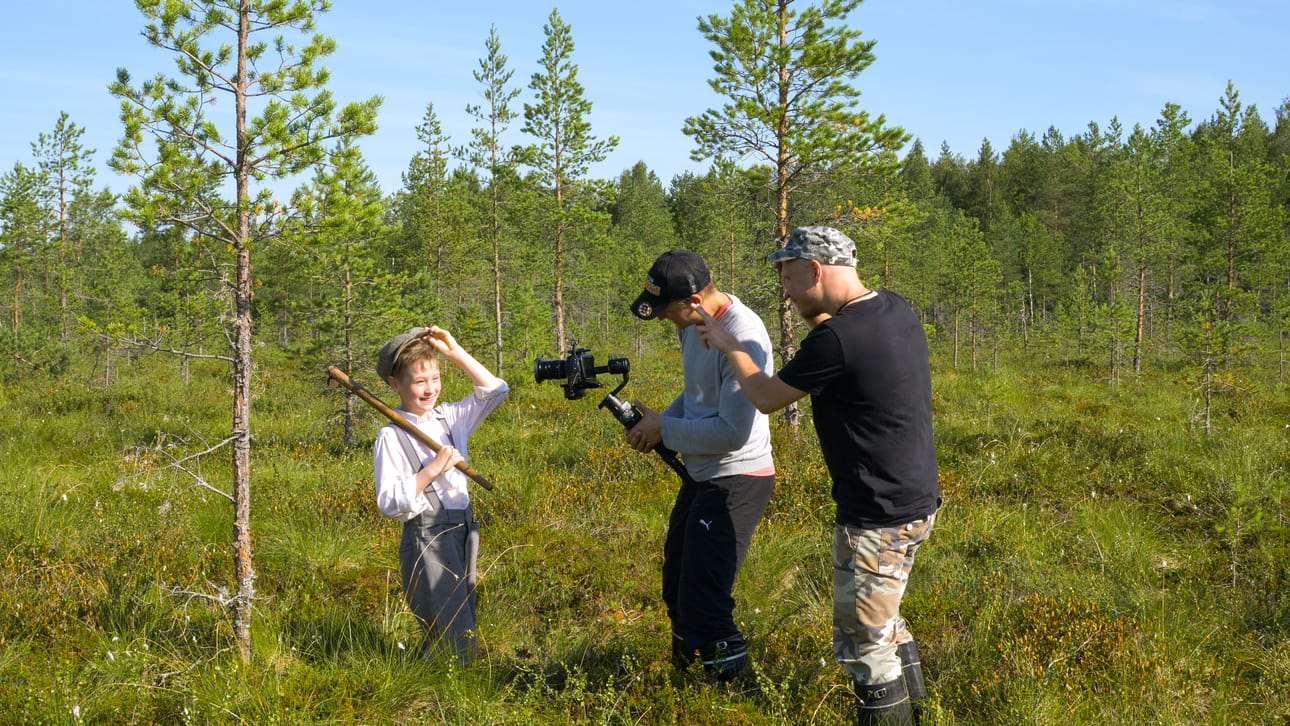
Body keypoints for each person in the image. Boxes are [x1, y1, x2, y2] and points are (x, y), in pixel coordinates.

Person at [693, 227, 940, 725]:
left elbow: (765, 397)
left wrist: (726, 343)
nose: (784, 287)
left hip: (875, 516)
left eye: (787, 274)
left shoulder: (836, 338)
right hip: (916, 503)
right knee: (887, 624)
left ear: (816, 269)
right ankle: (928, 713)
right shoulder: (892, 308)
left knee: (864, 647)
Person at [625, 249, 776, 682]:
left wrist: (665, 430)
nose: (664, 321)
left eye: (667, 312)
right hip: (703, 474)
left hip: (738, 477)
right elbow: (696, 398)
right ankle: (688, 681)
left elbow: (732, 431)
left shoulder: (743, 335)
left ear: (693, 301)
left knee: (705, 598)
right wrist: (658, 424)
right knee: (676, 585)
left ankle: (736, 695)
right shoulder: (694, 325)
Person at [372, 325, 509, 661]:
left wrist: (454, 351)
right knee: (453, 637)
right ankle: (442, 696)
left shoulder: (450, 418)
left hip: (463, 530)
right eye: (419, 381)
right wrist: (432, 470)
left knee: (462, 623)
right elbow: (389, 502)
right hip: (427, 537)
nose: (429, 388)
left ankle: (437, 681)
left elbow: (496, 390)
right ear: (395, 385)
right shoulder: (391, 436)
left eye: (434, 378)